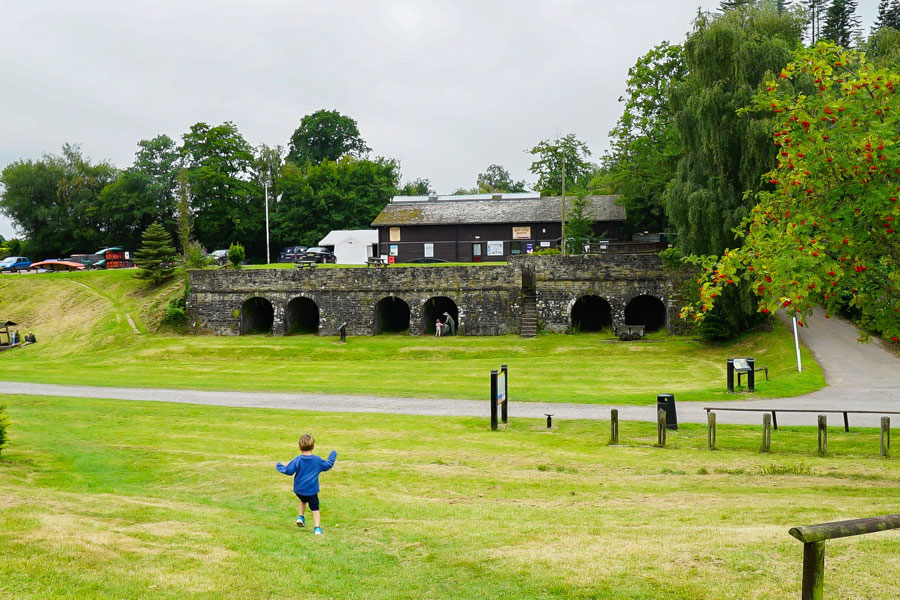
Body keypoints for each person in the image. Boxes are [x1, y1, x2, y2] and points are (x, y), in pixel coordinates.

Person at [276, 434, 337, 535]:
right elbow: (328, 465)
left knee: (303, 500)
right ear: (313, 446)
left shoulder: (298, 460)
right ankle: (317, 528)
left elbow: (289, 470)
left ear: (299, 447)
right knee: (315, 508)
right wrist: (333, 454)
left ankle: (300, 517)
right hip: (311, 491)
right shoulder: (317, 460)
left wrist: (279, 466)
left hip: (299, 490)